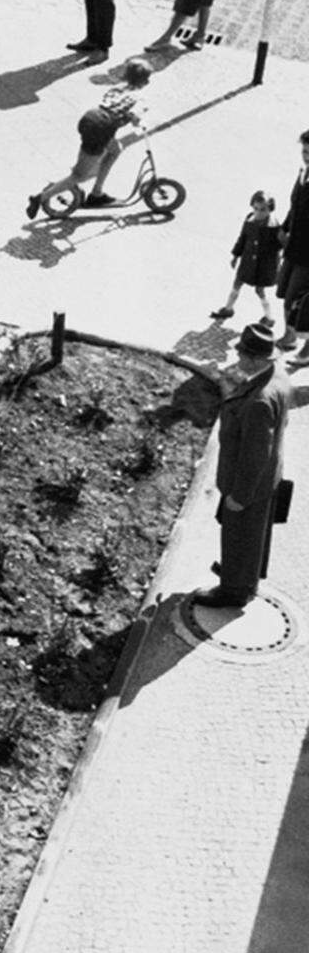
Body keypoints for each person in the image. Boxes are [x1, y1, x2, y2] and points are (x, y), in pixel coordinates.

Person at [191, 321, 296, 610]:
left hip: (248, 483)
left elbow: (254, 456)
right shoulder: (278, 376)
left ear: (255, 359)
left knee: (238, 535)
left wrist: (240, 496)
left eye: (242, 356)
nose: (238, 360)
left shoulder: (258, 402)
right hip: (268, 477)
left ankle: (233, 592)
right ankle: (244, 578)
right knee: (253, 535)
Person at [25, 57, 152, 219]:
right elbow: (135, 116)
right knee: (80, 175)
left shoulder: (118, 88)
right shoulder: (139, 98)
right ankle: (40, 198)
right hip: (102, 128)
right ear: (146, 81)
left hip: (92, 118)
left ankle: (97, 193)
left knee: (115, 149)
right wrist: (139, 122)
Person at [212, 193, 280, 325]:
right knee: (237, 282)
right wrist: (236, 255)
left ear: (270, 209)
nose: (258, 213)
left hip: (263, 266)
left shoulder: (274, 227)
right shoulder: (250, 219)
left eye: (263, 210)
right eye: (256, 208)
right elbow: (243, 238)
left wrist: (276, 268)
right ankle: (228, 308)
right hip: (248, 261)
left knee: (259, 290)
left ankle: (269, 317)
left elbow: (278, 249)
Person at [276, 130, 309, 357]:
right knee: (285, 293)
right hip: (293, 247)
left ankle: (307, 349)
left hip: (308, 255)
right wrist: (284, 229)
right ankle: (289, 336)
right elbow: (294, 207)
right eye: (304, 151)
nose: (305, 156)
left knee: (302, 301)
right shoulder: (303, 173)